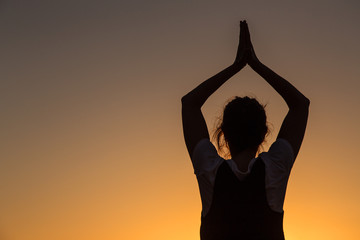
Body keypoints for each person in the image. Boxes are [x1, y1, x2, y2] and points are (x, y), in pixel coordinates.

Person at [181, 21, 310, 240]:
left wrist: (236, 66)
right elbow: (300, 105)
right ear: (263, 134)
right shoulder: (275, 167)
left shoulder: (210, 170)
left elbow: (189, 104)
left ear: (224, 134)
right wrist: (256, 64)